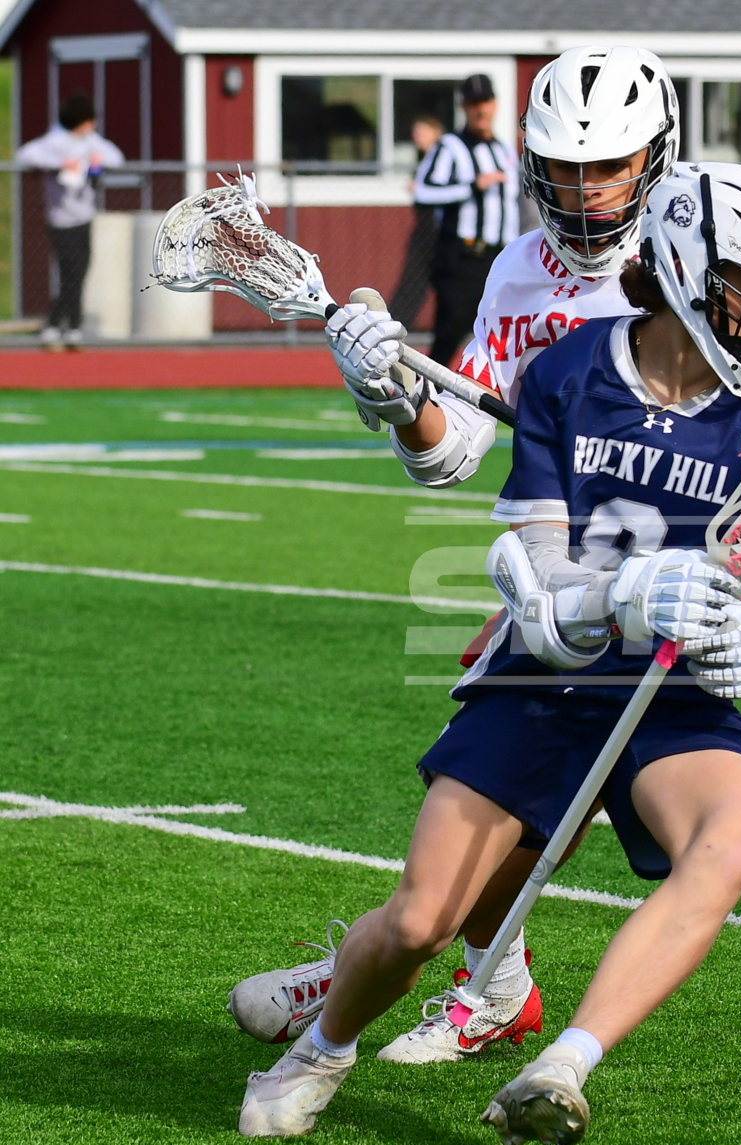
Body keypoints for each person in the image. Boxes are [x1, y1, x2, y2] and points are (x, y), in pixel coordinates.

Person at [237, 161, 741, 1145]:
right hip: (546, 678)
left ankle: (564, 1063)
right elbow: (530, 574)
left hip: (674, 693)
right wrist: (624, 592)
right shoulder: (569, 372)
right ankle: (319, 1048)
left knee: (732, 844)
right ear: (686, 271)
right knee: (422, 922)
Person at [229, 45, 685, 1064]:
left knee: (545, 810)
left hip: (671, 579)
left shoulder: (696, 254)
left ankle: (395, 967)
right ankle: (474, 978)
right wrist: (394, 394)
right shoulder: (521, 269)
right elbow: (453, 455)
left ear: (656, 157)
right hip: (560, 578)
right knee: (504, 800)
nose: (583, 189)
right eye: (562, 168)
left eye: (606, 166)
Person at [414, 74, 519, 367]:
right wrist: (472, 186)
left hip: (500, 256)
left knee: (505, 333)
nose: (480, 109)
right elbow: (423, 192)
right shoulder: (450, 147)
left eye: (484, 101)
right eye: (473, 103)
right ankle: (429, 389)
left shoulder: (503, 150)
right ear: (463, 107)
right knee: (450, 332)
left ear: (495, 104)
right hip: (463, 256)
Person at [15, 94, 125, 347]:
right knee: (70, 273)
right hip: (60, 219)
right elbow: (25, 156)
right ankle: (58, 325)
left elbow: (116, 157)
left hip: (83, 217)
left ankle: (70, 326)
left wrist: (94, 162)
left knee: (80, 272)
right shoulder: (55, 142)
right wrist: (60, 164)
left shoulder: (91, 142)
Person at [386, 115, 445, 328]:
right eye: (416, 133)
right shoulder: (423, 158)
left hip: (437, 228)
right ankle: (394, 324)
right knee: (413, 280)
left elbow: (442, 190)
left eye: (422, 132)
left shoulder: (442, 157)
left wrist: (421, 189)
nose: (417, 137)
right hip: (424, 226)